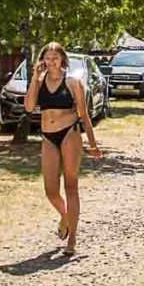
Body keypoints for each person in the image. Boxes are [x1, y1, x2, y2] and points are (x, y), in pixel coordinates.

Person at [23, 42, 103, 256]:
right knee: (50, 190)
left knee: (70, 186)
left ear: (62, 60)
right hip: (47, 137)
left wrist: (93, 144)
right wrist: (34, 77)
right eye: (47, 58)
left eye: (55, 58)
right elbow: (29, 107)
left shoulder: (73, 82)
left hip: (70, 133)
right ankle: (65, 216)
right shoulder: (39, 81)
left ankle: (72, 239)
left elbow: (84, 115)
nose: (51, 62)